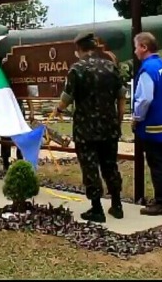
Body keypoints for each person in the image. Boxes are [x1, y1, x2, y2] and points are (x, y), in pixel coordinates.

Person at [52, 31, 127, 223]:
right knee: (110, 165)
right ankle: (117, 205)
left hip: (86, 130)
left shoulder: (77, 69)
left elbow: (66, 99)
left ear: (79, 49)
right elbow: (121, 97)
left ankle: (96, 208)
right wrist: (118, 120)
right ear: (94, 46)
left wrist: (58, 110)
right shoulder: (111, 67)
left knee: (90, 167)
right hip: (109, 127)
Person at [131, 32, 162, 216]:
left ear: (144, 47)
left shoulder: (147, 69)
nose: (134, 51)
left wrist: (136, 118)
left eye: (135, 47)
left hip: (152, 125)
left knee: (156, 163)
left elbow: (144, 99)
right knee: (161, 163)